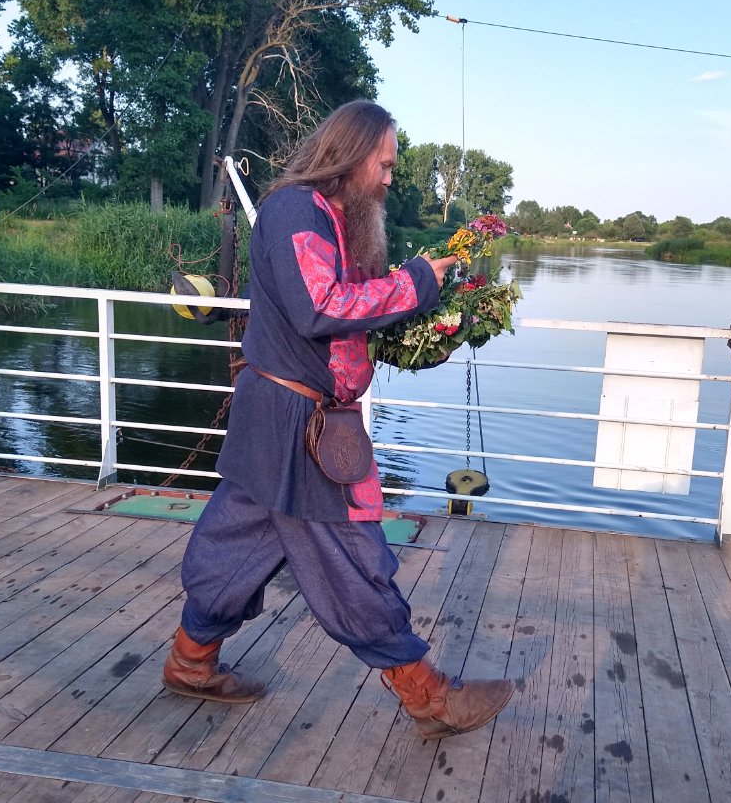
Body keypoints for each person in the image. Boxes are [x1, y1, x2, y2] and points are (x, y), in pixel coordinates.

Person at [162, 100, 514, 740]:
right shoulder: (297, 209)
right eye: (383, 165)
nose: (388, 179)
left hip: (282, 418)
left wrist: (418, 314)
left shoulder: (327, 215)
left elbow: (336, 310)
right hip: (297, 427)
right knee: (352, 559)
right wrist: (415, 287)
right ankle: (428, 697)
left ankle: (191, 663)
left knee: (235, 542)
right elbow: (318, 308)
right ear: (350, 156)